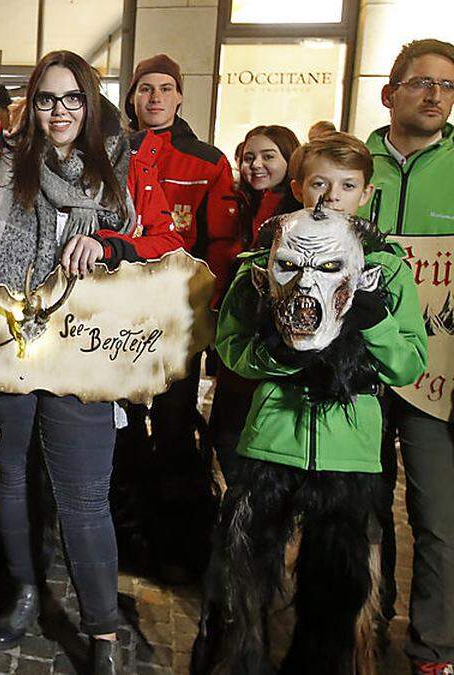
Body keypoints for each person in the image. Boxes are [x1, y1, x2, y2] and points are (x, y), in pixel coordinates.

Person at [0, 49, 183, 674]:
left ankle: (102, 629)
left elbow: (165, 243)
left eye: (72, 98)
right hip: (9, 344)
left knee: (83, 495)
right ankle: (24, 590)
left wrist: (109, 241)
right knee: (12, 480)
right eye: (47, 99)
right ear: (32, 103)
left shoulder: (124, 168)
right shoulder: (1, 169)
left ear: (90, 101)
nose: (59, 112)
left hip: (85, 353)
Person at [198, 140, 426, 671]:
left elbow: (408, 365)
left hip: (351, 449)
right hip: (272, 439)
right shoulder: (261, 263)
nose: (331, 198)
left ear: (366, 194)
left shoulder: (387, 270)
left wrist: (374, 318)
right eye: (319, 183)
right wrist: (278, 351)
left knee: (335, 586)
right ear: (298, 188)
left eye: (347, 186)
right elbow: (232, 351)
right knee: (242, 578)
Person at [112, 53, 244, 582]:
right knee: (119, 426)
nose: (156, 98)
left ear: (181, 95)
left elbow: (220, 243)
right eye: (146, 88)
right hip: (118, 317)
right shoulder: (112, 153)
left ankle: (174, 539)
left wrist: (202, 310)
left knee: (172, 424)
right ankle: (123, 532)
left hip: (177, 319)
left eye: (166, 88)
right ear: (133, 97)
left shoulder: (208, 161)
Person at [358, 38, 454, 675]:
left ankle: (433, 649)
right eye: (423, 83)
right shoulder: (349, 164)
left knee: (439, 519)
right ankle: (363, 629)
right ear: (389, 92)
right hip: (359, 374)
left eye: (447, 86)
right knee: (363, 514)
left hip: (437, 375)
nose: (436, 95)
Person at [207, 123, 303, 480]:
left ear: (290, 161)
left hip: (269, 354)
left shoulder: (293, 214)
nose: (256, 165)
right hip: (238, 351)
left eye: (268, 156)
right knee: (227, 439)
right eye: (249, 157)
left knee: (248, 450)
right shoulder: (242, 207)